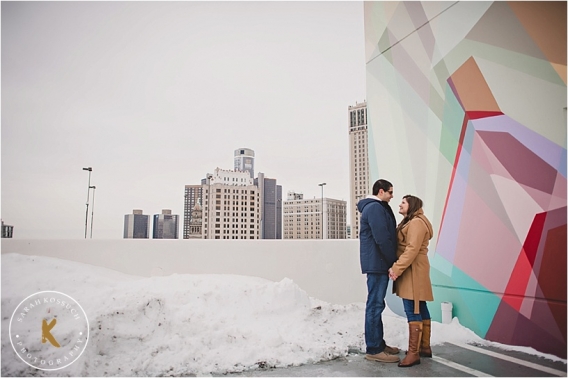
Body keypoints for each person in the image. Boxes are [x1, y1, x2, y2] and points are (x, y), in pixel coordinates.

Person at [357, 179, 400, 363]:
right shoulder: (374, 208)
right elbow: (382, 237)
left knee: (377, 304)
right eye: (390, 192)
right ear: (381, 191)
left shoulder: (377, 207)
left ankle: (379, 344)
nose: (392, 196)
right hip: (378, 263)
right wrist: (393, 261)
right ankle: (374, 349)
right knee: (375, 305)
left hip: (378, 262)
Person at [388, 195, 434, 368]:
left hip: (413, 270)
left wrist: (396, 268)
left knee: (412, 307)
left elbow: (412, 249)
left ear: (412, 205)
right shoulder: (415, 221)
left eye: (404, 202)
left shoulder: (415, 223)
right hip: (415, 269)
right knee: (420, 306)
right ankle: (424, 347)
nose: (399, 204)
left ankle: (414, 353)